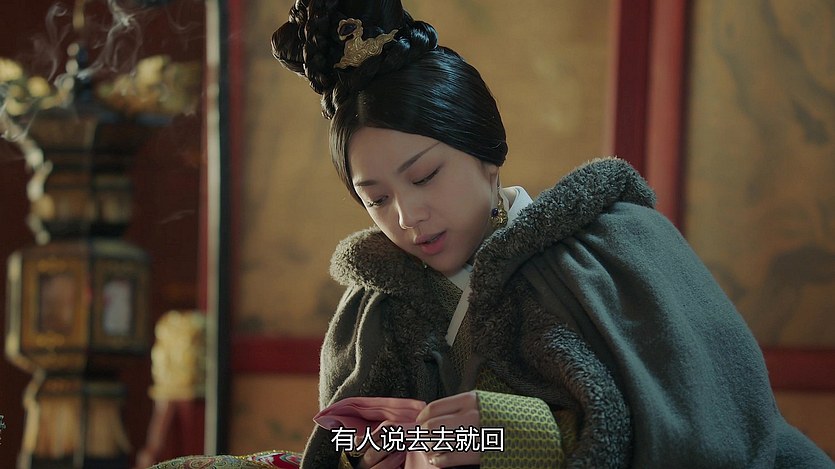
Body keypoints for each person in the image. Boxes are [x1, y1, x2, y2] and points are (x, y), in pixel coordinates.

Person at [270, 1, 835, 468]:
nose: (407, 216)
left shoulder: (617, 249)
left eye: (424, 176)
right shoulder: (374, 308)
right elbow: (360, 443)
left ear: (486, 155)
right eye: (377, 199)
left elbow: (712, 435)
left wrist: (517, 436)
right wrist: (385, 447)